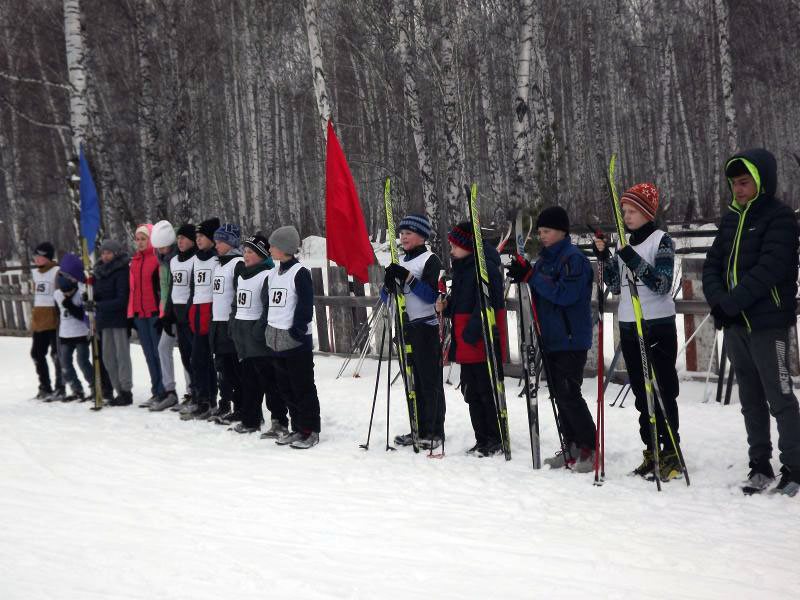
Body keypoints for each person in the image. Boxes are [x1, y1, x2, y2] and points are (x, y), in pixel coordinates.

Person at [703, 148, 800, 497]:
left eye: (744, 182)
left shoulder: (781, 218)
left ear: (761, 181)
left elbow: (769, 270)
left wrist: (730, 303)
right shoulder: (731, 218)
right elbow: (713, 264)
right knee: (750, 398)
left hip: (767, 322)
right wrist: (718, 302)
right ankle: (760, 463)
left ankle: (795, 466)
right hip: (736, 325)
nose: (738, 190)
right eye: (734, 184)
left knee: (780, 396)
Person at [593, 184, 682, 481]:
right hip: (629, 325)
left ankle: (671, 451)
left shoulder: (662, 241)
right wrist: (606, 257)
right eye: (625, 212)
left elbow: (661, 284)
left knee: (662, 391)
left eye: (632, 212)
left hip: (657, 324)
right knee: (642, 395)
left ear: (646, 212)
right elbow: (616, 286)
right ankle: (651, 449)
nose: (627, 217)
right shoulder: (625, 244)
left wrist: (629, 256)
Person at [508, 207, 596, 472]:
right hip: (551, 336)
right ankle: (570, 442)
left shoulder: (574, 259)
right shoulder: (545, 259)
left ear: (562, 231)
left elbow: (565, 294)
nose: (542, 236)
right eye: (541, 231)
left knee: (570, 392)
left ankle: (589, 446)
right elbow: (538, 285)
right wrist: (524, 272)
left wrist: (533, 277)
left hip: (571, 337)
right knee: (558, 393)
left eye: (547, 231)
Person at [436, 221, 508, 457]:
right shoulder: (462, 267)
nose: (452, 250)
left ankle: (494, 437)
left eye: (455, 245)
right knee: (471, 391)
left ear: (468, 245)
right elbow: (459, 303)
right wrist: (446, 307)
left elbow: (486, 303)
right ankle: (482, 438)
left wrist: (472, 331)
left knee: (486, 391)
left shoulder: (484, 267)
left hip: (480, 340)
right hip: (465, 339)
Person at [383, 213, 446, 450]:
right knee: (412, 381)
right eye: (401, 233)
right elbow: (385, 297)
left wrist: (407, 277)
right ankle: (417, 427)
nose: (403, 237)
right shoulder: (400, 259)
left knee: (429, 381)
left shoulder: (430, 260)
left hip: (425, 327)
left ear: (421, 235)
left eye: (409, 233)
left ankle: (434, 431)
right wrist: (388, 285)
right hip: (405, 327)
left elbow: (431, 295)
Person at [266, 225, 321, 449]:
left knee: (302, 387)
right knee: (285, 387)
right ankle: (297, 427)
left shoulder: (300, 273)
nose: (270, 249)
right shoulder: (273, 274)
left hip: (295, 341)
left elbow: (306, 305)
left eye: (273, 245)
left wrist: (296, 331)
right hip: (275, 340)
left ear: (284, 248)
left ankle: (309, 429)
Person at [228, 233, 286, 434]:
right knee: (249, 383)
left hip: (259, 340)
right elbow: (236, 303)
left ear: (262, 254)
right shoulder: (243, 275)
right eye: (244, 250)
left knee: (270, 384)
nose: (246, 255)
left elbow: (268, 307)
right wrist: (233, 324)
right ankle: (250, 419)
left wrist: (258, 331)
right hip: (243, 340)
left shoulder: (267, 275)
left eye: (251, 251)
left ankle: (279, 420)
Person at [181, 217, 220, 420]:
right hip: (196, 313)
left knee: (208, 361)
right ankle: (200, 397)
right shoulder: (196, 258)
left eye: (202, 236)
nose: (198, 240)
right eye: (196, 236)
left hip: (210, 313)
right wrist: (189, 310)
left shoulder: (216, 259)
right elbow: (194, 288)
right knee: (196, 359)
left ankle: (210, 399)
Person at [149, 219, 189, 411]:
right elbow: (164, 289)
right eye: (159, 248)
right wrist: (163, 313)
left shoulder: (177, 259)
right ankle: (169, 390)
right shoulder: (161, 260)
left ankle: (191, 391)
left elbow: (177, 288)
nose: (162, 251)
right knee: (163, 347)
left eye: (165, 247)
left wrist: (171, 312)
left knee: (185, 350)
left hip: (180, 312)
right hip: (167, 311)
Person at [209, 223, 244, 423]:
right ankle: (224, 404)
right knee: (221, 367)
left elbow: (238, 296)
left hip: (230, 324)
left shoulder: (237, 264)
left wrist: (233, 320)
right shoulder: (218, 264)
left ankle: (239, 406)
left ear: (230, 242)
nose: (217, 244)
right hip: (217, 323)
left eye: (220, 241)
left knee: (234, 369)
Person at [91, 239, 133, 406]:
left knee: (121, 356)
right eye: (103, 253)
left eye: (108, 252)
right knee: (107, 357)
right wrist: (91, 298)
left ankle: (126, 389)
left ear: (115, 253)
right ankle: (118, 390)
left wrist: (99, 305)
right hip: (104, 320)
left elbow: (122, 299)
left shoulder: (122, 270)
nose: (105, 256)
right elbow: (97, 294)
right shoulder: (99, 271)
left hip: (118, 319)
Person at [128, 223, 164, 404]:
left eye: (144, 239)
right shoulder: (134, 262)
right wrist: (131, 312)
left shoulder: (156, 259)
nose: (141, 242)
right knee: (149, 354)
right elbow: (132, 290)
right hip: (139, 314)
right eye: (138, 239)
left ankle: (165, 389)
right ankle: (156, 390)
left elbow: (161, 287)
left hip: (155, 312)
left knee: (159, 353)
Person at [51, 253, 93, 401]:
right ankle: (76, 389)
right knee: (65, 365)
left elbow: (83, 316)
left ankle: (94, 387)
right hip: (65, 335)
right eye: (64, 292)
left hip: (80, 333)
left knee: (83, 362)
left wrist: (70, 306)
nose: (66, 294)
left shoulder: (81, 293)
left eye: (69, 291)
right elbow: (57, 313)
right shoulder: (57, 295)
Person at [166, 223, 197, 412]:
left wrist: (188, 310)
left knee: (195, 356)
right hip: (177, 313)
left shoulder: (196, 260)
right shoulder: (174, 261)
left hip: (190, 312)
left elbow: (194, 289)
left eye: (184, 238)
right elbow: (172, 288)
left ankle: (200, 394)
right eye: (178, 238)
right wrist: (168, 314)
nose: (180, 241)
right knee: (185, 356)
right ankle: (192, 392)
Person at [30, 242, 64, 399]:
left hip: (53, 317)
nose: (36, 259)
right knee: (37, 353)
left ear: (48, 257)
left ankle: (60, 386)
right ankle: (45, 386)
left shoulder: (57, 271)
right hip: (39, 318)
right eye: (35, 256)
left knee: (56, 354)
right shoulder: (35, 273)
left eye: (40, 256)